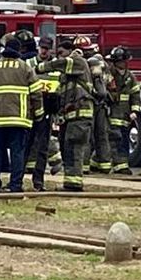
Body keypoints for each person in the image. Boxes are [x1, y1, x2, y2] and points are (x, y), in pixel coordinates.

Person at [0, 34, 42, 193]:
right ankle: (15, 185)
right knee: (17, 153)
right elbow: (36, 93)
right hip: (20, 120)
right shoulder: (25, 68)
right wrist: (38, 114)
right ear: (18, 50)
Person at [55, 46, 94, 192]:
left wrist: (40, 67)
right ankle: (70, 183)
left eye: (61, 53)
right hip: (71, 117)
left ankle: (75, 184)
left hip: (80, 116)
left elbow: (58, 64)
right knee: (69, 149)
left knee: (74, 149)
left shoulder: (78, 62)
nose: (60, 57)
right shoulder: (67, 75)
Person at [25, 35, 59, 192]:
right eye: (42, 48)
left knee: (43, 147)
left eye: (47, 49)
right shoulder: (29, 64)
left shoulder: (55, 65)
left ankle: (38, 181)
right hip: (30, 110)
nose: (44, 51)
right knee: (25, 145)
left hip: (47, 110)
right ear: (38, 48)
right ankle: (16, 179)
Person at [105, 46, 141, 173]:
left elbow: (135, 94)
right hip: (111, 114)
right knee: (113, 140)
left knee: (124, 141)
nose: (123, 64)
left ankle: (121, 165)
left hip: (125, 116)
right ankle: (115, 166)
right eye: (120, 62)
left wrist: (134, 111)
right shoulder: (108, 75)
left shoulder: (130, 77)